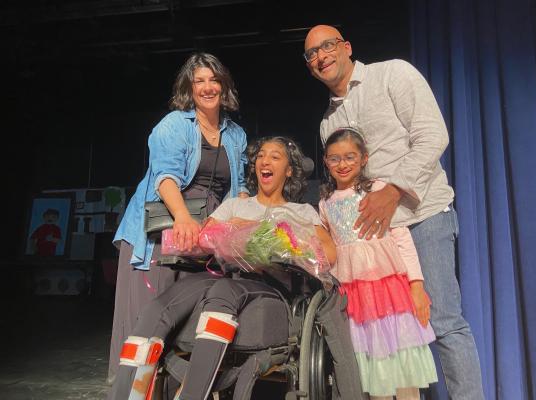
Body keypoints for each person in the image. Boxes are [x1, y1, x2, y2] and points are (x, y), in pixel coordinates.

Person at [304, 25, 484, 399]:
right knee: (384, 339)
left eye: (328, 46)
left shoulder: (393, 74)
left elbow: (433, 134)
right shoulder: (327, 124)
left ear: (347, 47)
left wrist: (394, 190)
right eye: (311, 54)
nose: (321, 56)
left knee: (443, 321)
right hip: (376, 242)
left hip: (422, 216)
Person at [107, 136, 340, 400]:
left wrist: (281, 238)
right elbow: (206, 237)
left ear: (288, 170)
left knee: (223, 291)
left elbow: (328, 254)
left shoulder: (301, 212)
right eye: (261, 155)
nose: (265, 160)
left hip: (270, 284)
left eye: (275, 157)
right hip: (229, 274)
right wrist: (235, 229)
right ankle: (124, 395)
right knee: (159, 306)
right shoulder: (234, 206)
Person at [108, 52, 250, 383]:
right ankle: (131, 389)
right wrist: (184, 217)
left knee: (184, 323)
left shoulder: (235, 134)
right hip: (161, 234)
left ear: (223, 84)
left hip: (202, 237)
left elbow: (238, 189)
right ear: (189, 88)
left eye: (213, 79)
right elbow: (165, 176)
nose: (207, 87)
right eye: (198, 80)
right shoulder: (173, 125)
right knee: (146, 325)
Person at [319, 128, 437, 399]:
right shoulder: (325, 202)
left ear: (364, 158)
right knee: (371, 360)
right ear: (326, 162)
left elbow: (401, 237)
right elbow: (329, 245)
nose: (343, 164)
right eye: (334, 159)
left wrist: (416, 286)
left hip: (389, 291)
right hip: (354, 295)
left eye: (350, 157)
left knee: (401, 356)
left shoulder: (378, 190)